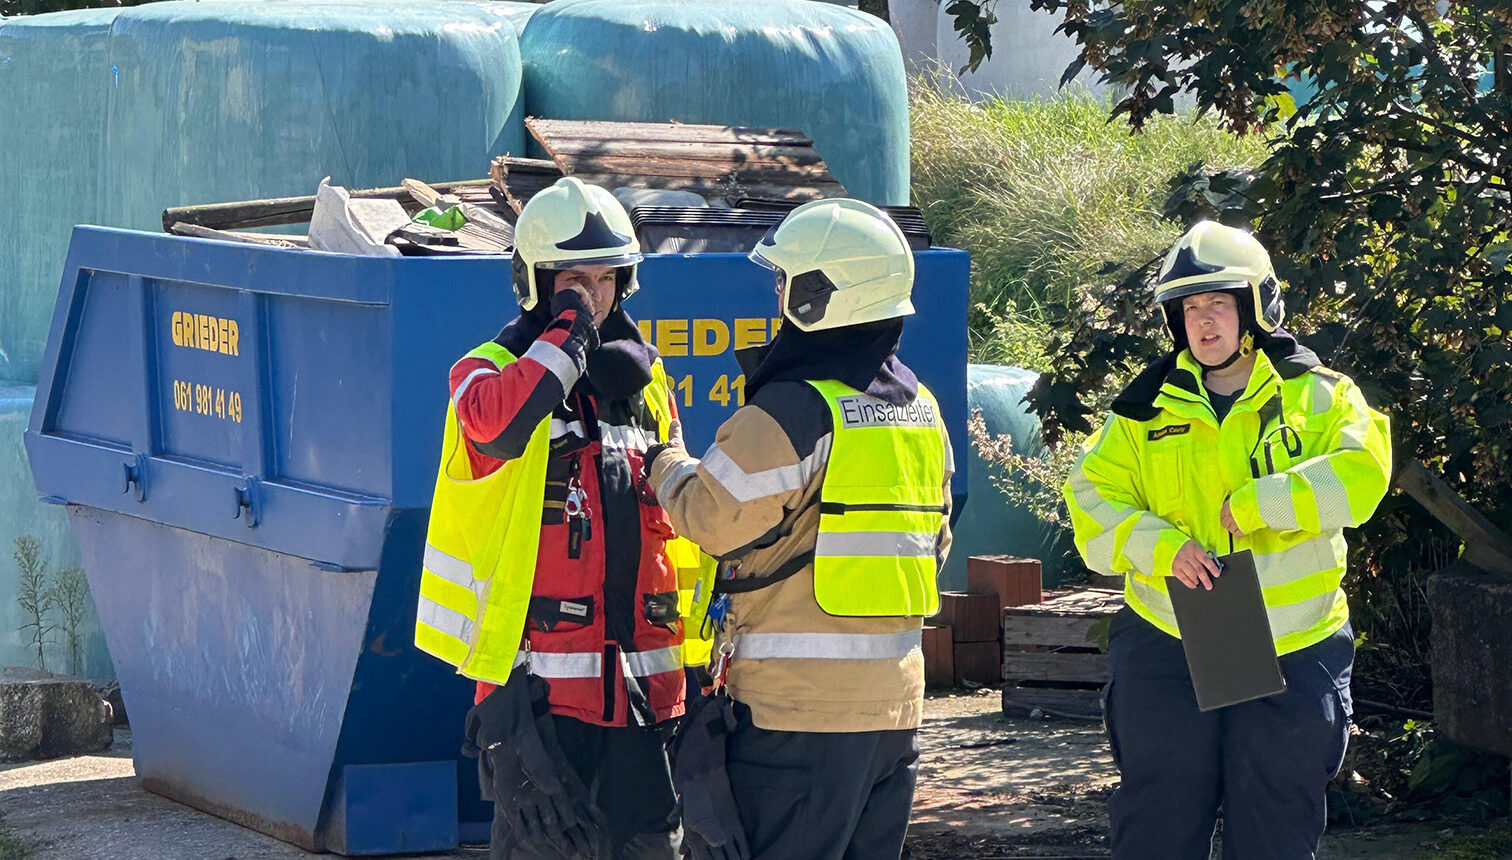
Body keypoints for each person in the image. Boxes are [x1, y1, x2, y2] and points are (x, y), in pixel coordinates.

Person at [1062, 220, 1393, 859]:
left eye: (1218, 304)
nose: (1204, 323)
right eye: (1190, 309)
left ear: (1256, 307)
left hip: (1292, 643)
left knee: (1275, 822)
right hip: (1171, 638)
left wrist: (1266, 502)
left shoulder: (1320, 396)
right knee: (1158, 818)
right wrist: (1159, 546)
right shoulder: (1141, 410)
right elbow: (1091, 498)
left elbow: (1363, 476)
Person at [645, 198, 954, 860]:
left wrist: (661, 457)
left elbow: (710, 517)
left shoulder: (789, 410)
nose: (778, 294)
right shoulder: (921, 412)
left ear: (822, 297)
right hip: (896, 713)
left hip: (796, 718)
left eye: (787, 282)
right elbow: (937, 541)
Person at [414, 177, 687, 860]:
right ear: (536, 283)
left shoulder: (645, 386)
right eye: (572, 280)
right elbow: (500, 429)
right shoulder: (484, 373)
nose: (591, 296)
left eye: (604, 280)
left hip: (644, 703)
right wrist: (566, 334)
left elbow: (678, 529)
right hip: (537, 711)